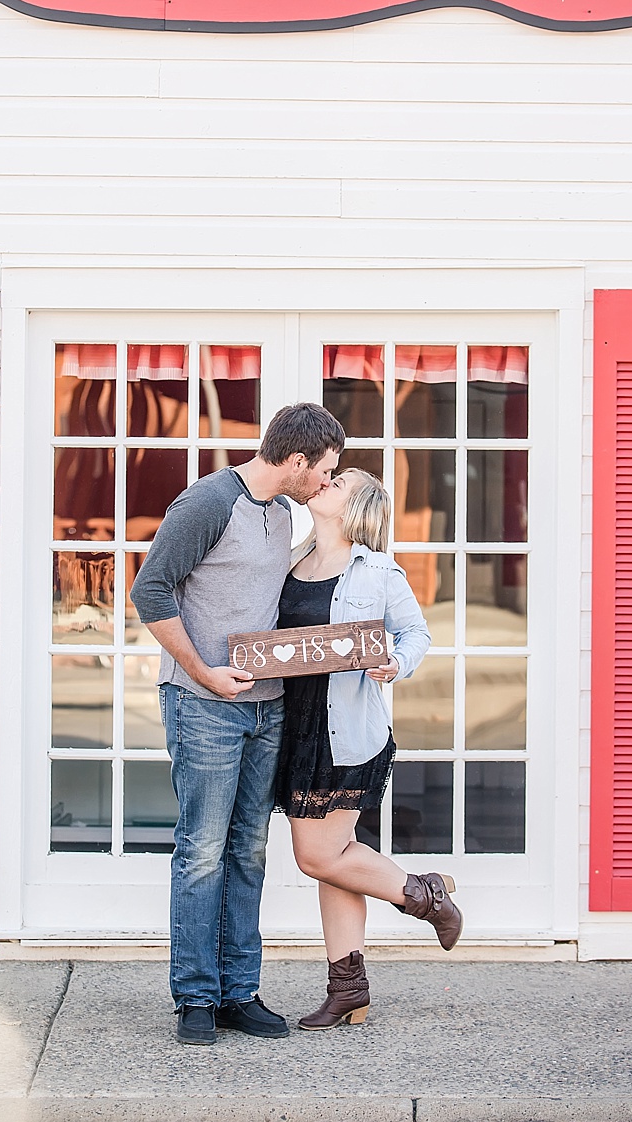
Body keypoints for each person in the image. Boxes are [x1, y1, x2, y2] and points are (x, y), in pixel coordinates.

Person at [130, 402, 346, 1045]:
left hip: (267, 707)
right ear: (297, 461)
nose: (327, 484)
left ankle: (237, 992)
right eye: (326, 471)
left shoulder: (282, 514)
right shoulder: (206, 503)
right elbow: (151, 591)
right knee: (203, 851)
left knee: (249, 850)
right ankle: (195, 997)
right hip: (204, 706)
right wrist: (202, 671)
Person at [276, 467, 455, 1030]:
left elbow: (416, 633)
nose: (326, 481)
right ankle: (348, 990)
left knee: (318, 856)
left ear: (360, 506)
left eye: (341, 481)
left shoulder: (376, 570)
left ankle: (422, 896)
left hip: (346, 730)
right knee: (337, 862)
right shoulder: (290, 562)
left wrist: (395, 663)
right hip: (291, 728)